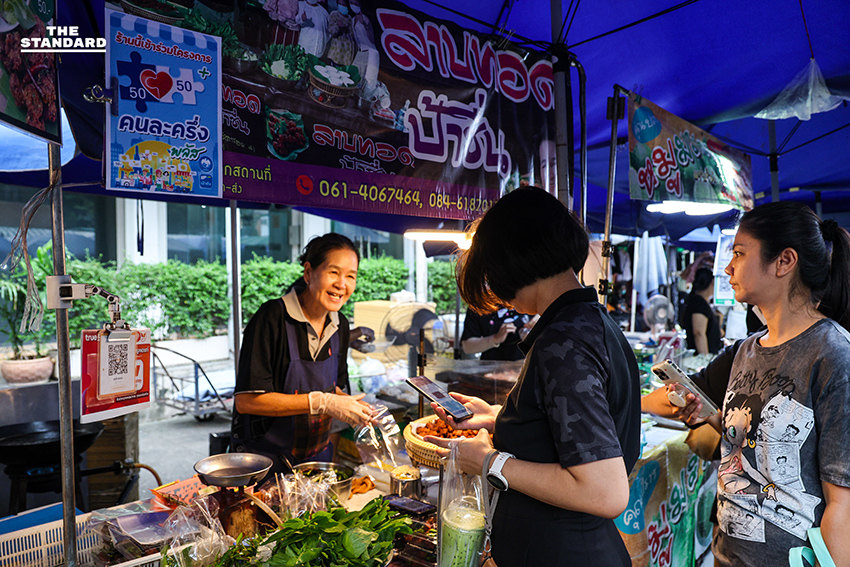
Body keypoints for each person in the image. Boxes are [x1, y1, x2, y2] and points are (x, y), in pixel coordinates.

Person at [424, 187, 642, 567]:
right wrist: (501, 417)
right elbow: (576, 432)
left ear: (511, 262)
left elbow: (605, 493)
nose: (497, 291)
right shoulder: (591, 321)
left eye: (491, 274)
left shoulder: (563, 342)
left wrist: (489, 462)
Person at [642, 201, 850, 567]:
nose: (728, 267)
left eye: (739, 253)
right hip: (727, 554)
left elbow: (842, 504)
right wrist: (709, 416)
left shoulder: (833, 354)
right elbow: (752, 449)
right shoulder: (746, 350)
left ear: (784, 261)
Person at [231, 233, 374, 474]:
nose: (342, 284)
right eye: (334, 272)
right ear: (308, 272)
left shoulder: (340, 324)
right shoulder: (271, 318)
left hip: (315, 462)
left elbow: (334, 389)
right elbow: (246, 401)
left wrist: (353, 407)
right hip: (265, 465)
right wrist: (322, 402)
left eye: (351, 276)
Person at [459, 307, 537, 361]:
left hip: (526, 365)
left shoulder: (529, 298)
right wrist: (495, 339)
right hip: (491, 367)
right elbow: (467, 347)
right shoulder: (479, 305)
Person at [680, 267, 722, 354]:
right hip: (701, 356)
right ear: (712, 283)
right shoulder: (699, 304)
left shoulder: (700, 302)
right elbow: (698, 333)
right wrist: (705, 358)